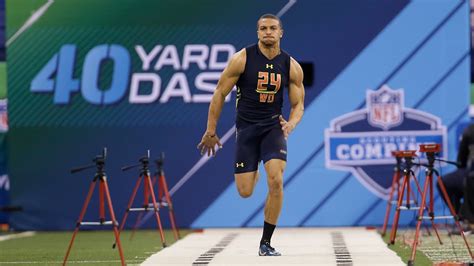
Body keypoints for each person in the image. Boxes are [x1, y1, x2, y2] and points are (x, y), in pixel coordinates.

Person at [197, 14, 305, 256]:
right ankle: (253, 167)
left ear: (281, 33)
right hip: (246, 130)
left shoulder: (291, 66)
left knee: (276, 179)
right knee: (245, 192)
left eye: (273, 28)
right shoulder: (242, 59)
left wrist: (291, 124)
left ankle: (266, 242)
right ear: (257, 33)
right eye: (263, 28)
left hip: (272, 128)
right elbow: (219, 93)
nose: (268, 32)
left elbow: (299, 104)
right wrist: (211, 130)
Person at [437, 124, 474, 226]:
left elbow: (461, 161)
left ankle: (467, 219)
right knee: (445, 182)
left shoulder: (470, 130)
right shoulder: (470, 130)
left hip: (470, 174)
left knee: (469, 179)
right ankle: (463, 217)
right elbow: (461, 160)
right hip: (470, 172)